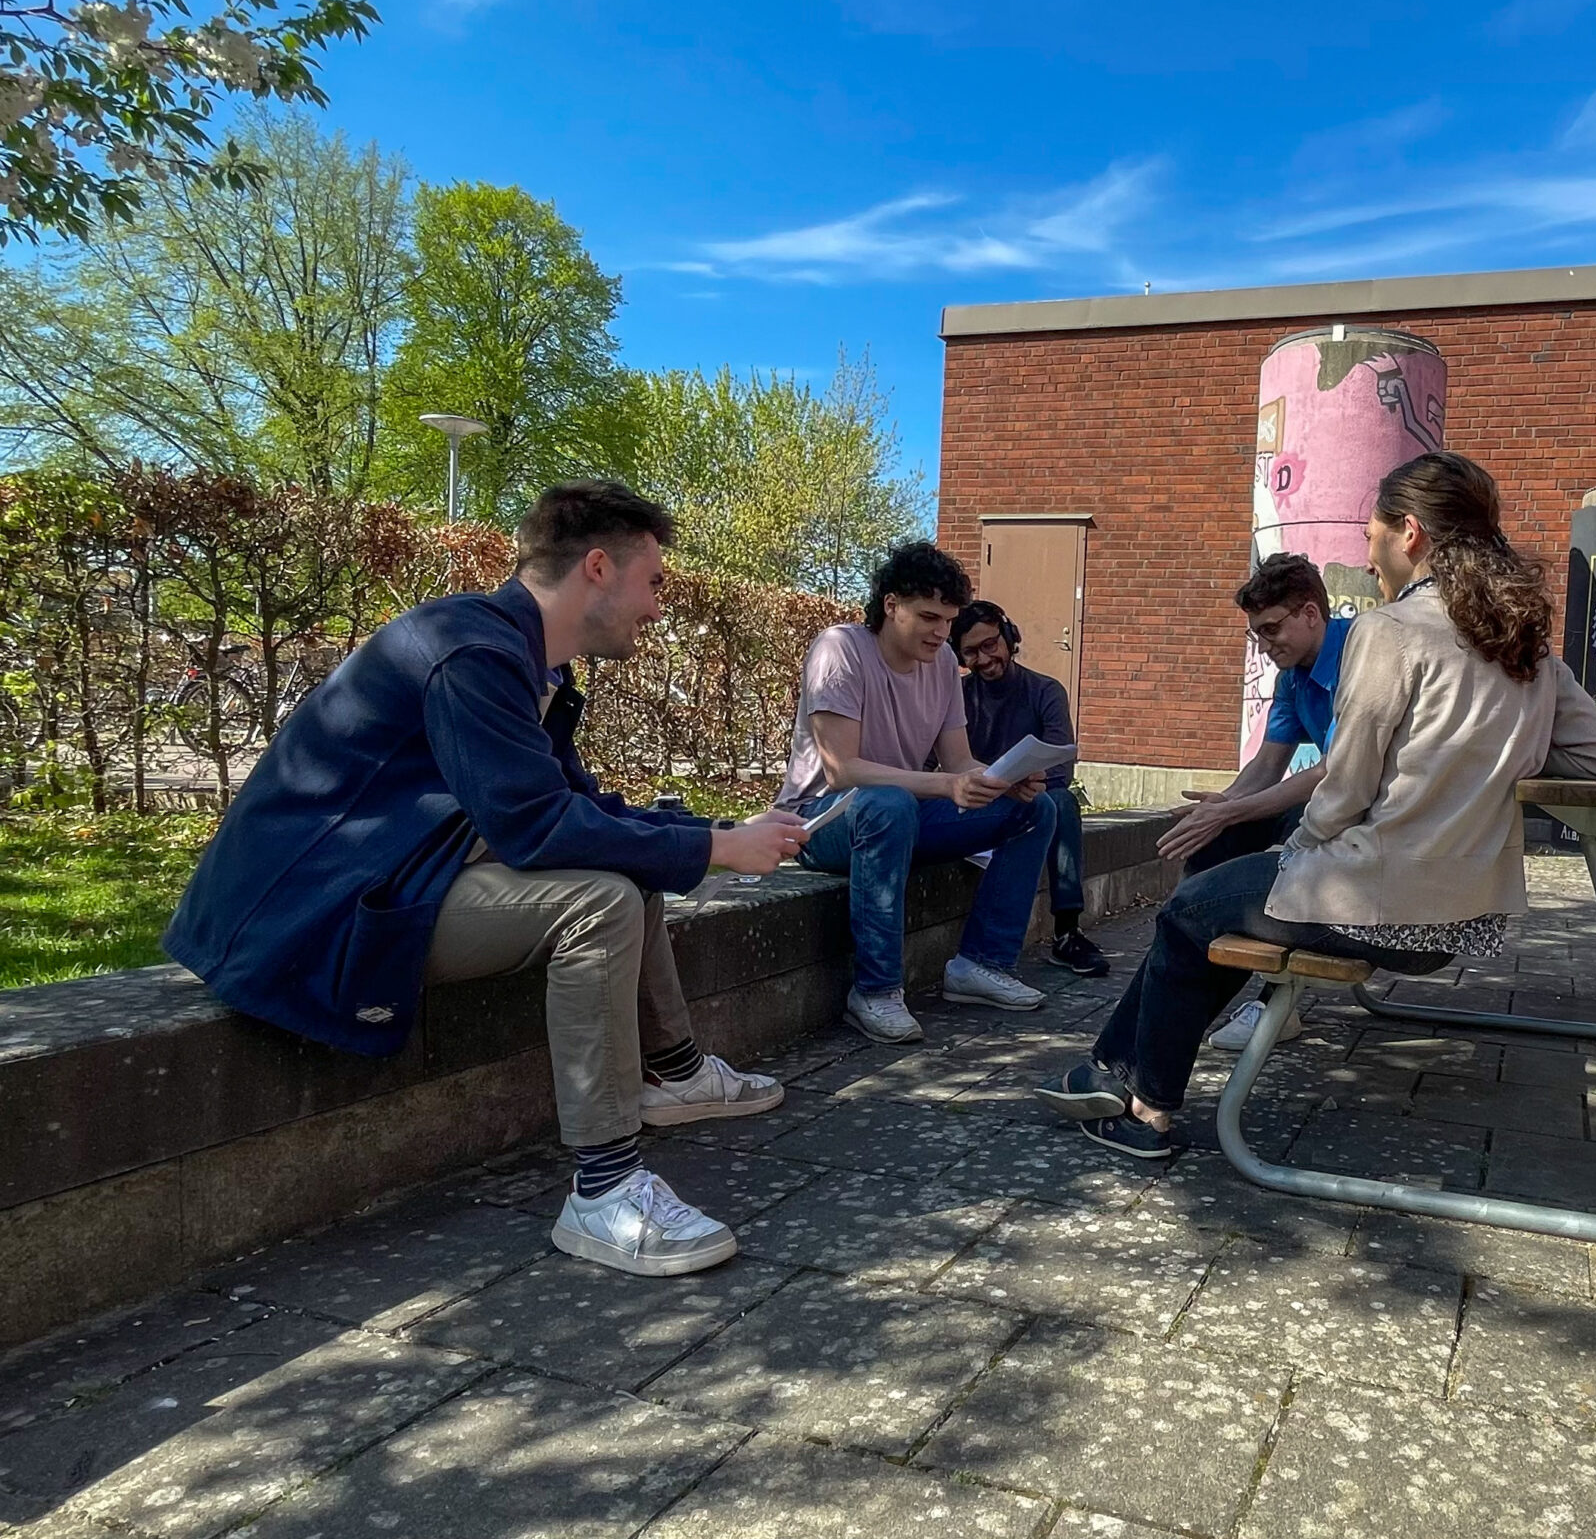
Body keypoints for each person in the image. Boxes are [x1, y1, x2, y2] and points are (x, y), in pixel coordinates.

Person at [165, 483, 805, 1280]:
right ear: (598, 567)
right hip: (304, 920)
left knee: (622, 867)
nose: (657, 608)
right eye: (655, 583)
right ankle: (604, 1196)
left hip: (390, 875)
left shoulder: (517, 657)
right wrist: (716, 848)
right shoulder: (471, 652)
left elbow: (572, 805)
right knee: (597, 900)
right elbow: (535, 829)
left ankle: (674, 1076)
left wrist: (711, 837)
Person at [1033, 452, 1596, 1157]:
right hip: (1467, 921)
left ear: (1410, 533)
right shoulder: (1526, 649)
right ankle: (1114, 1075)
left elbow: (1344, 787)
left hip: (1379, 900)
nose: (1367, 552)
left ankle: (1145, 1109)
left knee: (1190, 909)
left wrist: (1294, 852)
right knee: (1215, 907)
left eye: (1371, 533)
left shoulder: (1390, 630)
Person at [782, 541, 1059, 1043]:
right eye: (930, 617)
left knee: (1037, 809)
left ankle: (980, 965)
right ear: (891, 605)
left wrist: (1003, 779)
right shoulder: (839, 649)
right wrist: (947, 785)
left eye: (948, 621)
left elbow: (958, 762)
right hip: (822, 821)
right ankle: (876, 991)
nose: (942, 633)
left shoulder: (943, 668)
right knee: (888, 805)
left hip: (901, 813)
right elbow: (842, 771)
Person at [1160, 551, 1354, 1053]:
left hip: (1371, 816)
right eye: (1258, 634)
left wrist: (1232, 809)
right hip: (1333, 803)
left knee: (1297, 831)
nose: (1265, 646)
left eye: (1271, 630)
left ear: (1311, 613)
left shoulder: (1359, 655)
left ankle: (1275, 1003)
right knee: (1217, 838)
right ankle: (1187, 982)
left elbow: (1333, 772)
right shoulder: (1292, 675)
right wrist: (1218, 808)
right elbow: (1269, 765)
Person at [954, 599, 1101, 978]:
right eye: (970, 652)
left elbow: (1061, 765)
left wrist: (1021, 787)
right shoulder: (955, 696)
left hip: (1032, 798)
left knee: (1061, 800)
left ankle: (1067, 932)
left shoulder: (1046, 691)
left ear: (1009, 638)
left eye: (989, 645)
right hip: (975, 804)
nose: (984, 659)